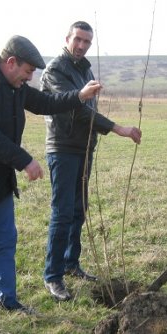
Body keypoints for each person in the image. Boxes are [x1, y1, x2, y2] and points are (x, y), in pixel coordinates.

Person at [0, 35, 101, 333]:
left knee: (4, 242)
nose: (30, 79)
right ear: (11, 62)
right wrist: (24, 160)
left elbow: (46, 103)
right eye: (28, 72)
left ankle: (7, 299)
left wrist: (78, 96)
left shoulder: (15, 86)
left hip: (0, 181)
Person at [40, 21, 142, 301]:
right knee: (62, 212)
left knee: (79, 208)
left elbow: (88, 108)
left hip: (84, 147)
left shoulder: (84, 68)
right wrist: (117, 128)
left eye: (87, 42)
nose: (82, 46)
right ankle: (53, 275)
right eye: (78, 40)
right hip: (62, 147)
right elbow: (78, 109)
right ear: (67, 38)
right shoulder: (56, 70)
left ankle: (72, 263)